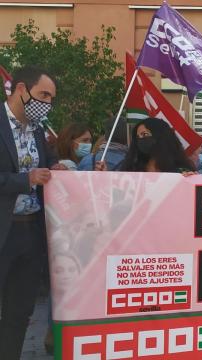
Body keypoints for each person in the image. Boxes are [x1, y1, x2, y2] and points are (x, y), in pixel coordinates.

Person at [0, 66, 65, 359]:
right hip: (4, 229)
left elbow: (49, 167)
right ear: (22, 89)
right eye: (44, 95)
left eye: (51, 97)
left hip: (31, 232)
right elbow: (26, 177)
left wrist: (62, 170)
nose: (48, 103)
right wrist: (24, 180)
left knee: (20, 311)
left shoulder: (38, 131)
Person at [101, 117, 194, 173]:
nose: (141, 139)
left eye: (145, 134)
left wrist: (190, 180)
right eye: (138, 137)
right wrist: (106, 176)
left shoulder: (181, 171)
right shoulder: (132, 168)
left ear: (160, 137)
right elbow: (119, 195)